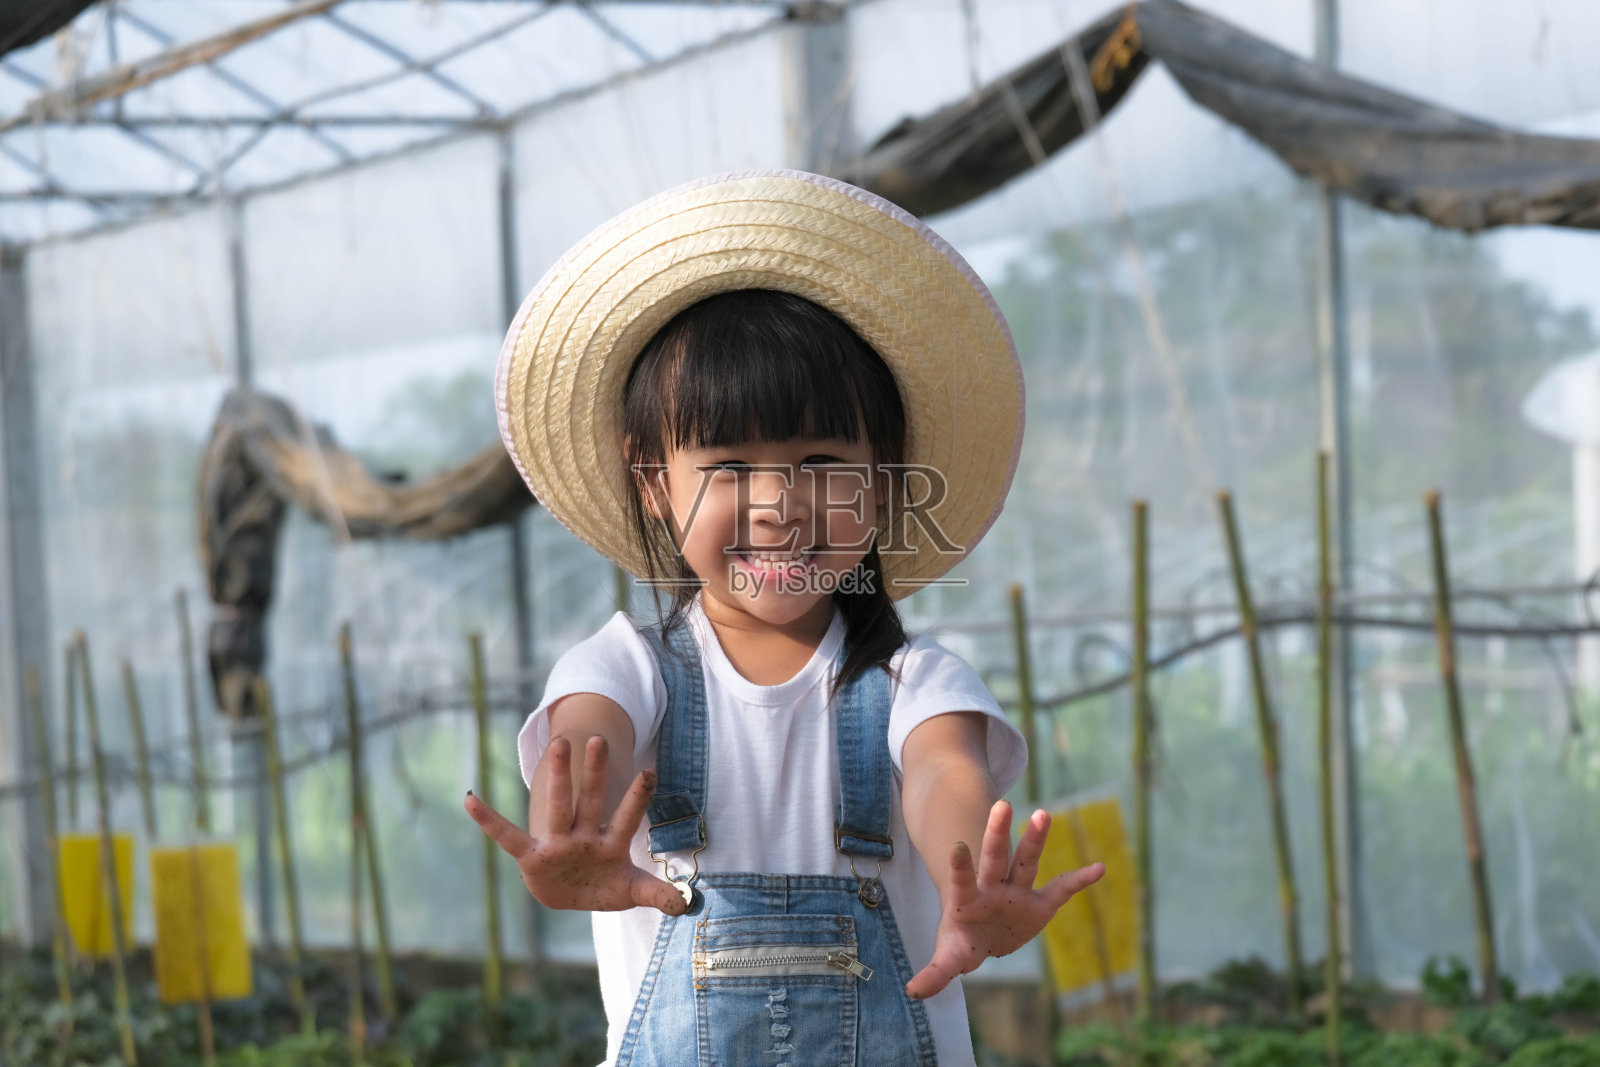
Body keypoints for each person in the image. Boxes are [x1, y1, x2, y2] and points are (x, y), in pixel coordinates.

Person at [466, 170, 1104, 1066]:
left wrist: (974, 880)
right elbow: (585, 741)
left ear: (881, 482)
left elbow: (941, 772)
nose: (777, 504)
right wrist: (571, 829)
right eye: (727, 465)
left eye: (820, 461)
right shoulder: (624, 670)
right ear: (654, 481)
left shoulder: (917, 683)